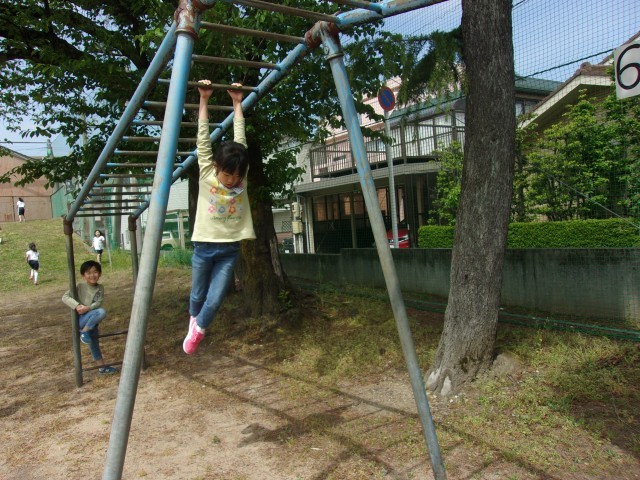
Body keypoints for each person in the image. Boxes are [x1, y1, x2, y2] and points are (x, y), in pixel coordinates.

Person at [183, 80, 255, 355]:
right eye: (228, 174)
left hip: (229, 249)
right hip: (204, 246)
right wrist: (204, 99)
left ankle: (199, 329)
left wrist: (237, 103)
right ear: (216, 167)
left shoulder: (241, 176)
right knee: (197, 295)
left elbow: (240, 141)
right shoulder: (206, 172)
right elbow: (203, 139)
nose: (233, 180)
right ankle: (193, 321)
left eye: (237, 175)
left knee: (214, 300)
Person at [62, 260, 117, 374]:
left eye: (95, 272)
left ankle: (102, 368)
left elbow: (98, 302)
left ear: (100, 273)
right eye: (88, 273)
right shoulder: (79, 286)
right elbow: (65, 297)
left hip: (91, 320)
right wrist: (77, 306)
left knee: (94, 344)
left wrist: (88, 308)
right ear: (83, 275)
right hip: (81, 320)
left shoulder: (100, 288)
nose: (92, 275)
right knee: (101, 312)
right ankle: (84, 332)